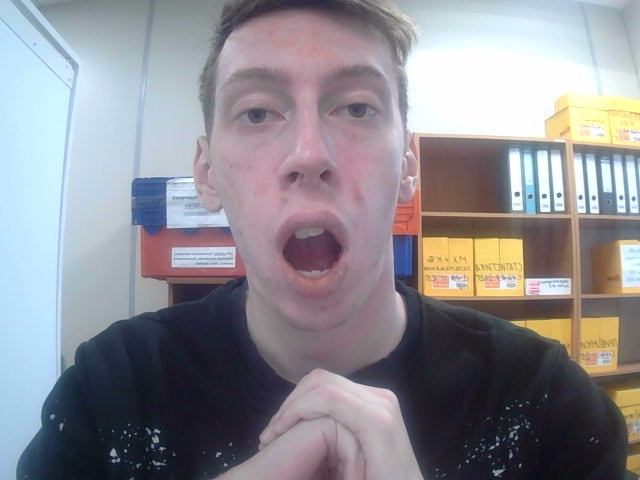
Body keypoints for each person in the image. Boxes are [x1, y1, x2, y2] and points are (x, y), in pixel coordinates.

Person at [18, 0, 628, 478]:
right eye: (258, 112)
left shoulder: (544, 400)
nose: (309, 154)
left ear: (408, 167)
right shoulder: (110, 391)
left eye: (356, 108)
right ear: (207, 173)